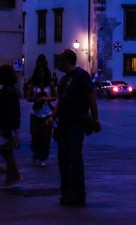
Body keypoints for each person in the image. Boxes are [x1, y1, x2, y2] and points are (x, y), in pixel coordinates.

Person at [54, 48, 101, 207]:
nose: (57, 63)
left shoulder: (81, 76)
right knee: (63, 158)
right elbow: (61, 101)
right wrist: (52, 116)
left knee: (74, 156)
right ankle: (66, 191)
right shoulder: (63, 80)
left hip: (76, 122)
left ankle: (78, 193)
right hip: (64, 123)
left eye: (59, 60)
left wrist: (96, 119)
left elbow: (91, 97)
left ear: (66, 60)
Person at [0, 64, 22, 189]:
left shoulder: (7, 92)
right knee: (7, 151)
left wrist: (8, 130)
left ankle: (11, 178)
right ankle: (14, 175)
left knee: (6, 151)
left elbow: (8, 110)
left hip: (4, 125)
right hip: (7, 124)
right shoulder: (10, 90)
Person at [29, 87, 55, 167]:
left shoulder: (50, 84)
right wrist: (36, 99)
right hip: (35, 113)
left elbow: (55, 97)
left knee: (46, 137)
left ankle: (43, 158)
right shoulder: (33, 84)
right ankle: (36, 152)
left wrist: (47, 99)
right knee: (35, 135)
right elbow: (28, 98)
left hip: (47, 113)